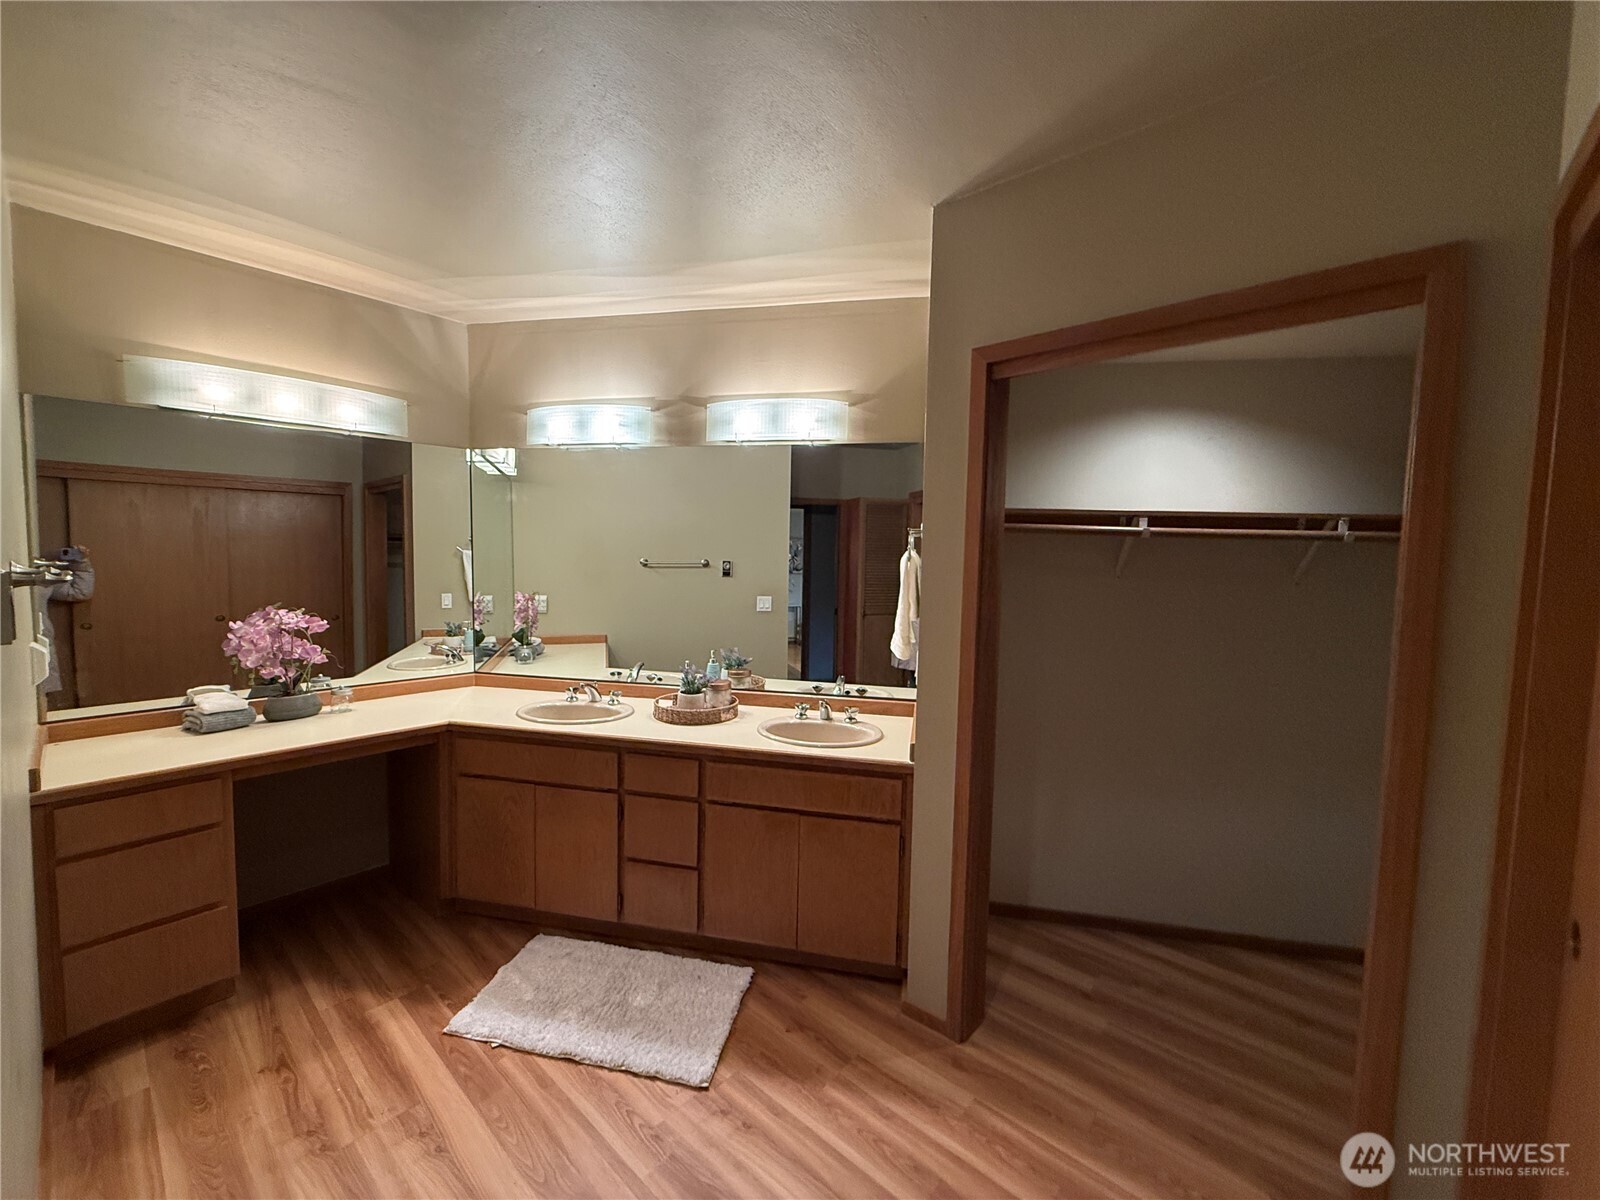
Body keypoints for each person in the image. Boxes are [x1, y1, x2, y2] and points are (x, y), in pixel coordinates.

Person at [36, 545, 94, 704]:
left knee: (35, 701)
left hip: (37, 643)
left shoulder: (37, 575)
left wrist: (80, 563)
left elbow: (80, 591)